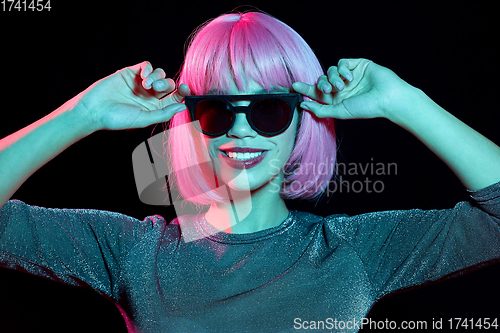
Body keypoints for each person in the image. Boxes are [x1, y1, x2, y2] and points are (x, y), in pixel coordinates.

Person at [1, 10, 500, 333]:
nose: (241, 130)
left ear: (304, 117)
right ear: (192, 123)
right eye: (216, 109)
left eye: (268, 109)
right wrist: (83, 114)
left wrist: (404, 103)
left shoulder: (350, 251)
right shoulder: (134, 252)